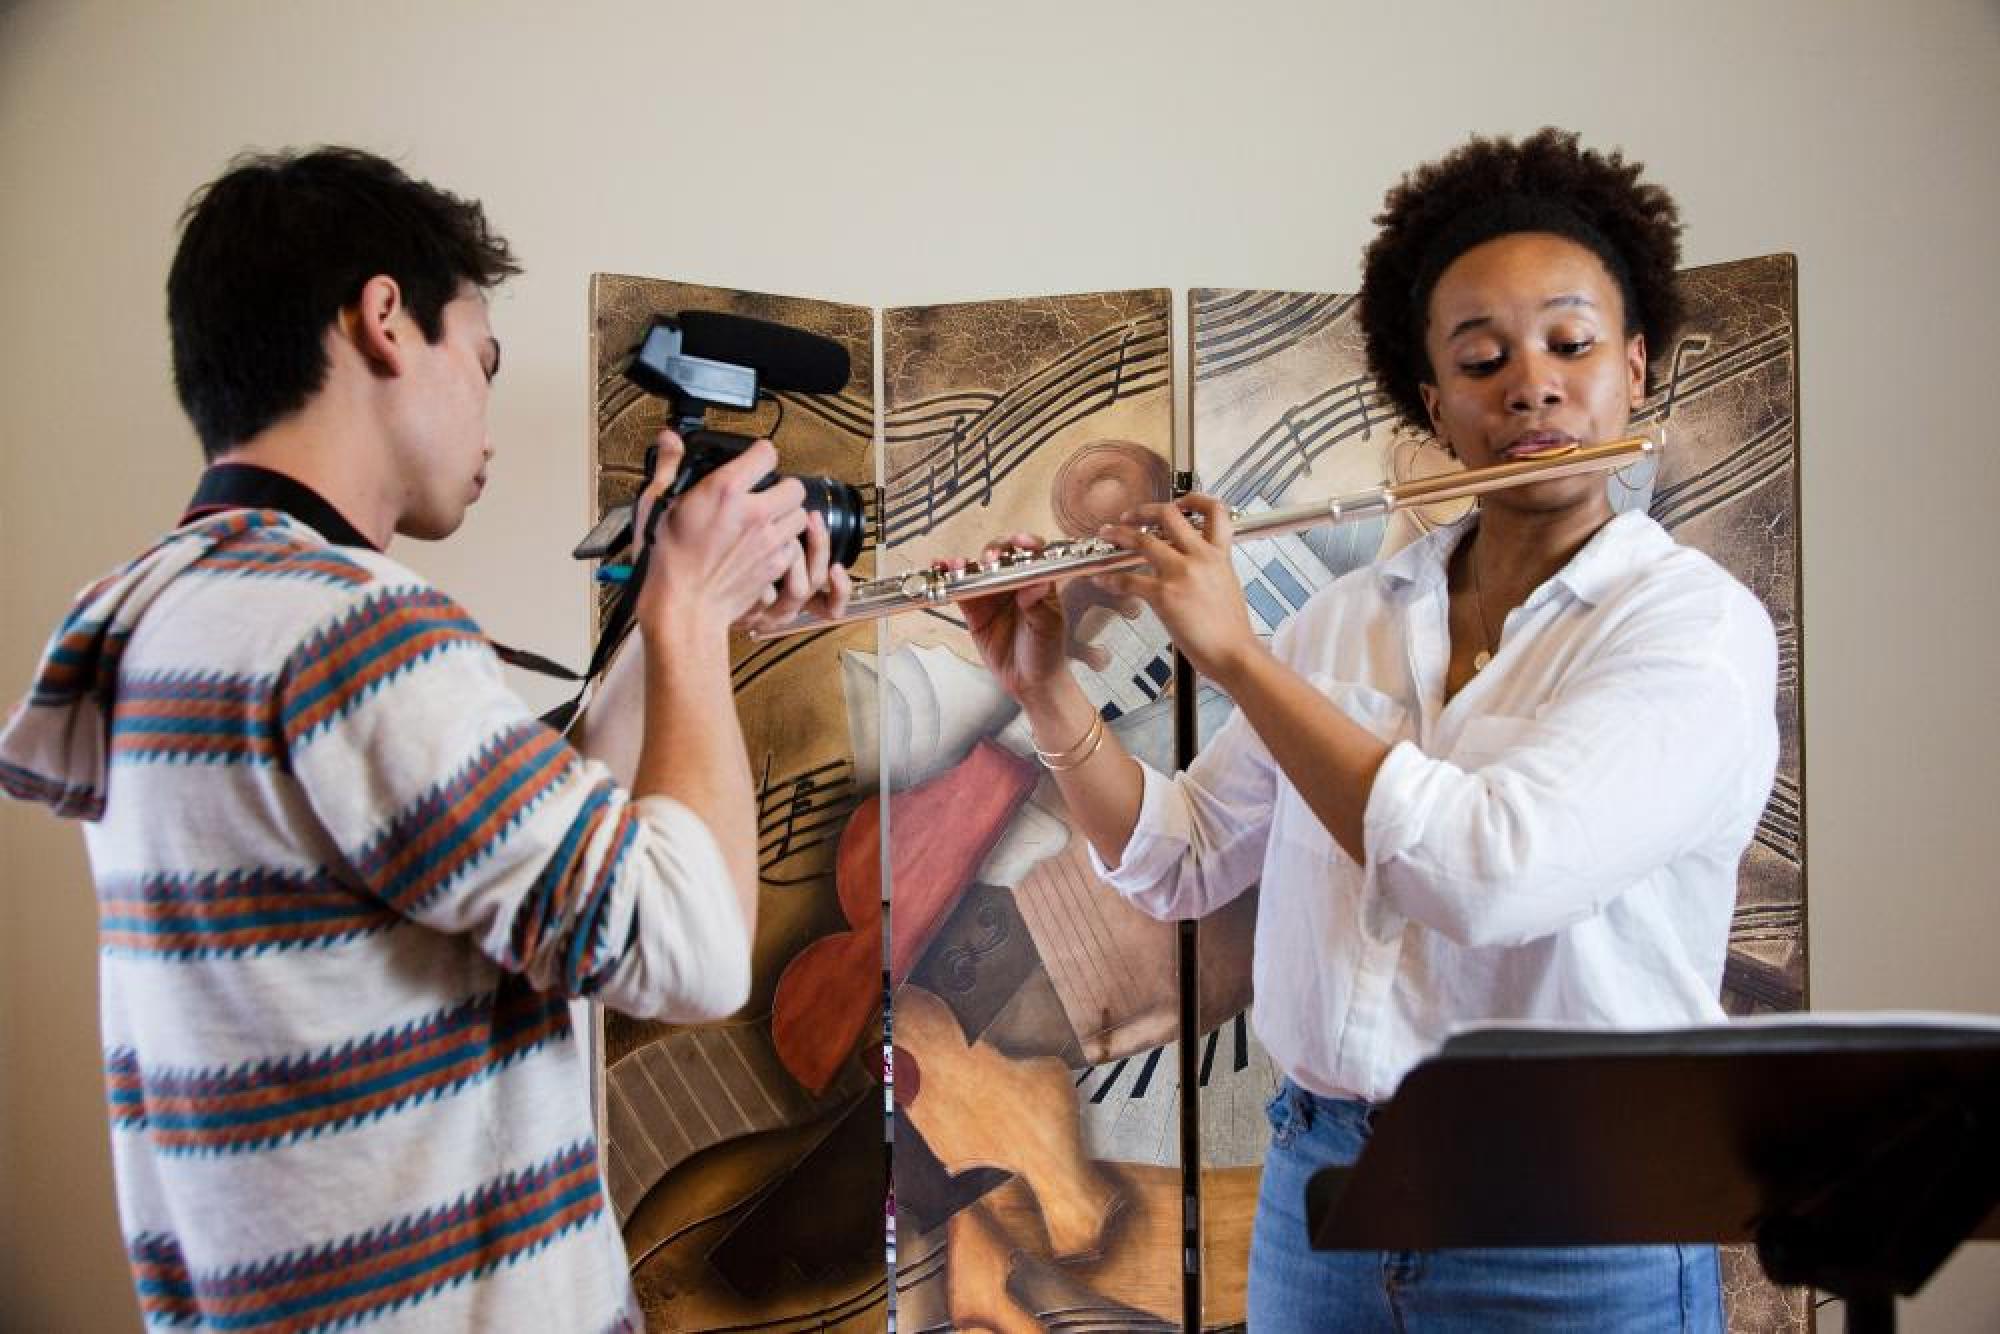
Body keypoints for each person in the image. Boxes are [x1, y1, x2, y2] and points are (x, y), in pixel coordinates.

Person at [0, 146, 847, 1331]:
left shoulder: (177, 612)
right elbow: (686, 953)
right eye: (482, 360)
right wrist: (696, 618)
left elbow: (550, 872)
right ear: (385, 320)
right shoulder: (352, 632)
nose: (488, 415)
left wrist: (670, 622)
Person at [961, 128, 1777, 1331]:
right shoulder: (1351, 618)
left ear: (1635, 366)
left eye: (1571, 341)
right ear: (1432, 397)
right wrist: (1043, 690)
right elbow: (1180, 857)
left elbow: (1486, 869)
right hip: (1322, 1196)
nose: (1531, 384)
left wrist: (1230, 650)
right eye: (1481, 355)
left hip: (1572, 1210)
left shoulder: (1692, 629)